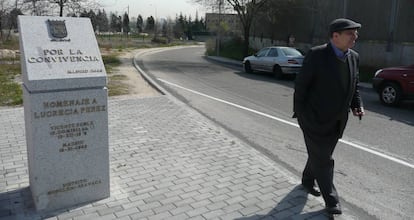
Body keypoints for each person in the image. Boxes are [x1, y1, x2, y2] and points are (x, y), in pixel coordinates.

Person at [293, 18, 365, 215]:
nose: (355, 37)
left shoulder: (354, 57)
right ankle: (331, 200)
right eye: (350, 33)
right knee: (324, 159)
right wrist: (301, 116)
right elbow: (301, 87)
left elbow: (354, 84)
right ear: (335, 36)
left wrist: (356, 104)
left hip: (337, 122)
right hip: (313, 120)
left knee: (318, 155)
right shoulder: (317, 55)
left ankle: (308, 180)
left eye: (355, 33)